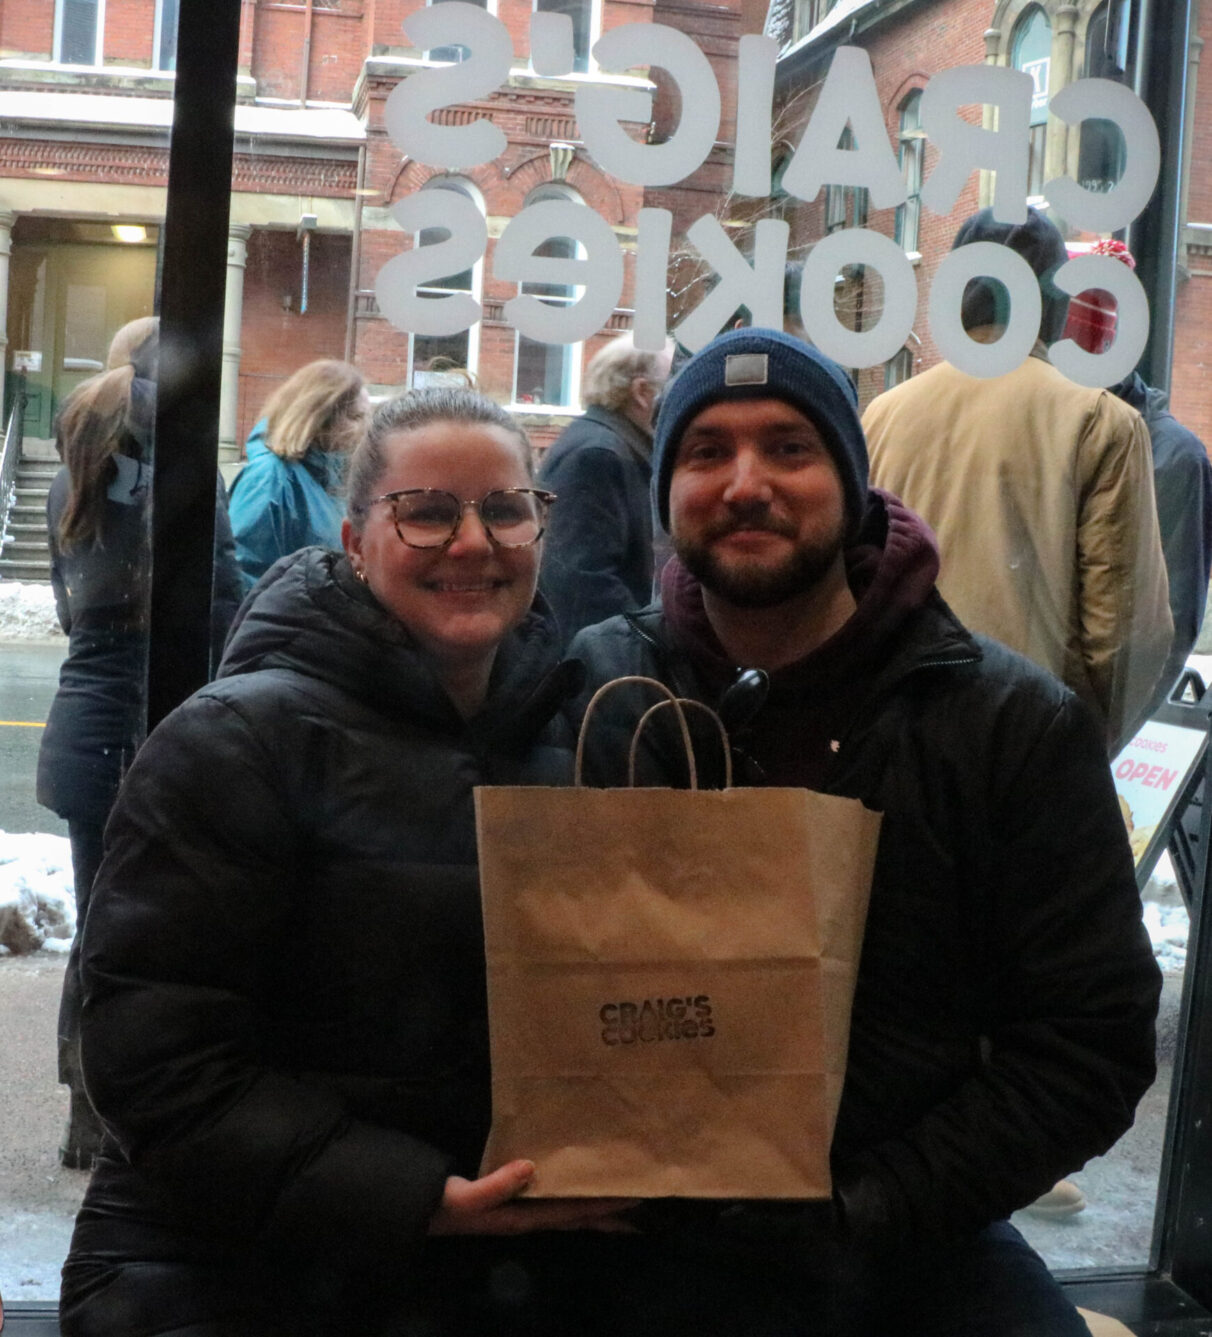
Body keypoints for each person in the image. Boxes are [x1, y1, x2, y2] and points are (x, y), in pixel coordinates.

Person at [569, 327, 1162, 1336]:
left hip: (911, 1237)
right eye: (705, 450)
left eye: (791, 447)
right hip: (621, 1236)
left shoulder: (1008, 725)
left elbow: (1087, 1042)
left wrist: (865, 1210)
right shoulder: (591, 691)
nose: (745, 482)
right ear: (665, 486)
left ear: (853, 483)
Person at [58, 387, 644, 1337]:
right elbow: (156, 1062)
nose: (471, 543)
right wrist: (414, 1200)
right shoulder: (234, 741)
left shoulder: (584, 734)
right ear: (354, 539)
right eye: (425, 512)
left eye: (505, 509)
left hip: (508, 1245)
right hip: (226, 1253)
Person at [36, 315, 242, 1171]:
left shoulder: (68, 478)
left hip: (82, 727)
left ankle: (87, 1105)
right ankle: (137, 1106)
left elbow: (67, 609)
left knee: (99, 923)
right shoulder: (190, 469)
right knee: (156, 928)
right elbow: (222, 600)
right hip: (158, 726)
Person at [863, 206, 1172, 756]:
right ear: (1055, 302)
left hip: (894, 739)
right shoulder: (1099, 421)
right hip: (1028, 748)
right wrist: (1085, 742)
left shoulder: (883, 415)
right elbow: (1126, 637)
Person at [1062, 238, 1212, 709]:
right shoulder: (1047, 429)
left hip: (1075, 738)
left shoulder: (1171, 457)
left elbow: (1168, 631)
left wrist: (1094, 749)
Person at [537, 333, 672, 644]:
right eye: (672, 384)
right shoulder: (597, 455)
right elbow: (583, 581)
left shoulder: (608, 446)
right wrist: (651, 648)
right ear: (642, 393)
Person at [227, 358, 370, 592]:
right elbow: (243, 573)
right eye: (356, 417)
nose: (366, 426)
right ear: (321, 418)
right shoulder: (270, 479)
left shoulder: (334, 479)